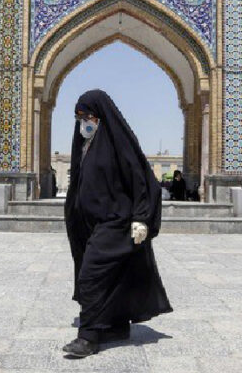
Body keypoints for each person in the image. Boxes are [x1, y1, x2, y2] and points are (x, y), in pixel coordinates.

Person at [63, 89, 173, 358]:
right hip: (93, 225)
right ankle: (114, 326)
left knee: (90, 276)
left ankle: (87, 336)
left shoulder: (118, 144)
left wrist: (141, 218)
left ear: (100, 116)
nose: (83, 122)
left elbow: (144, 182)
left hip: (117, 223)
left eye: (87, 116)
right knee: (112, 277)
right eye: (78, 117)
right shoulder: (85, 146)